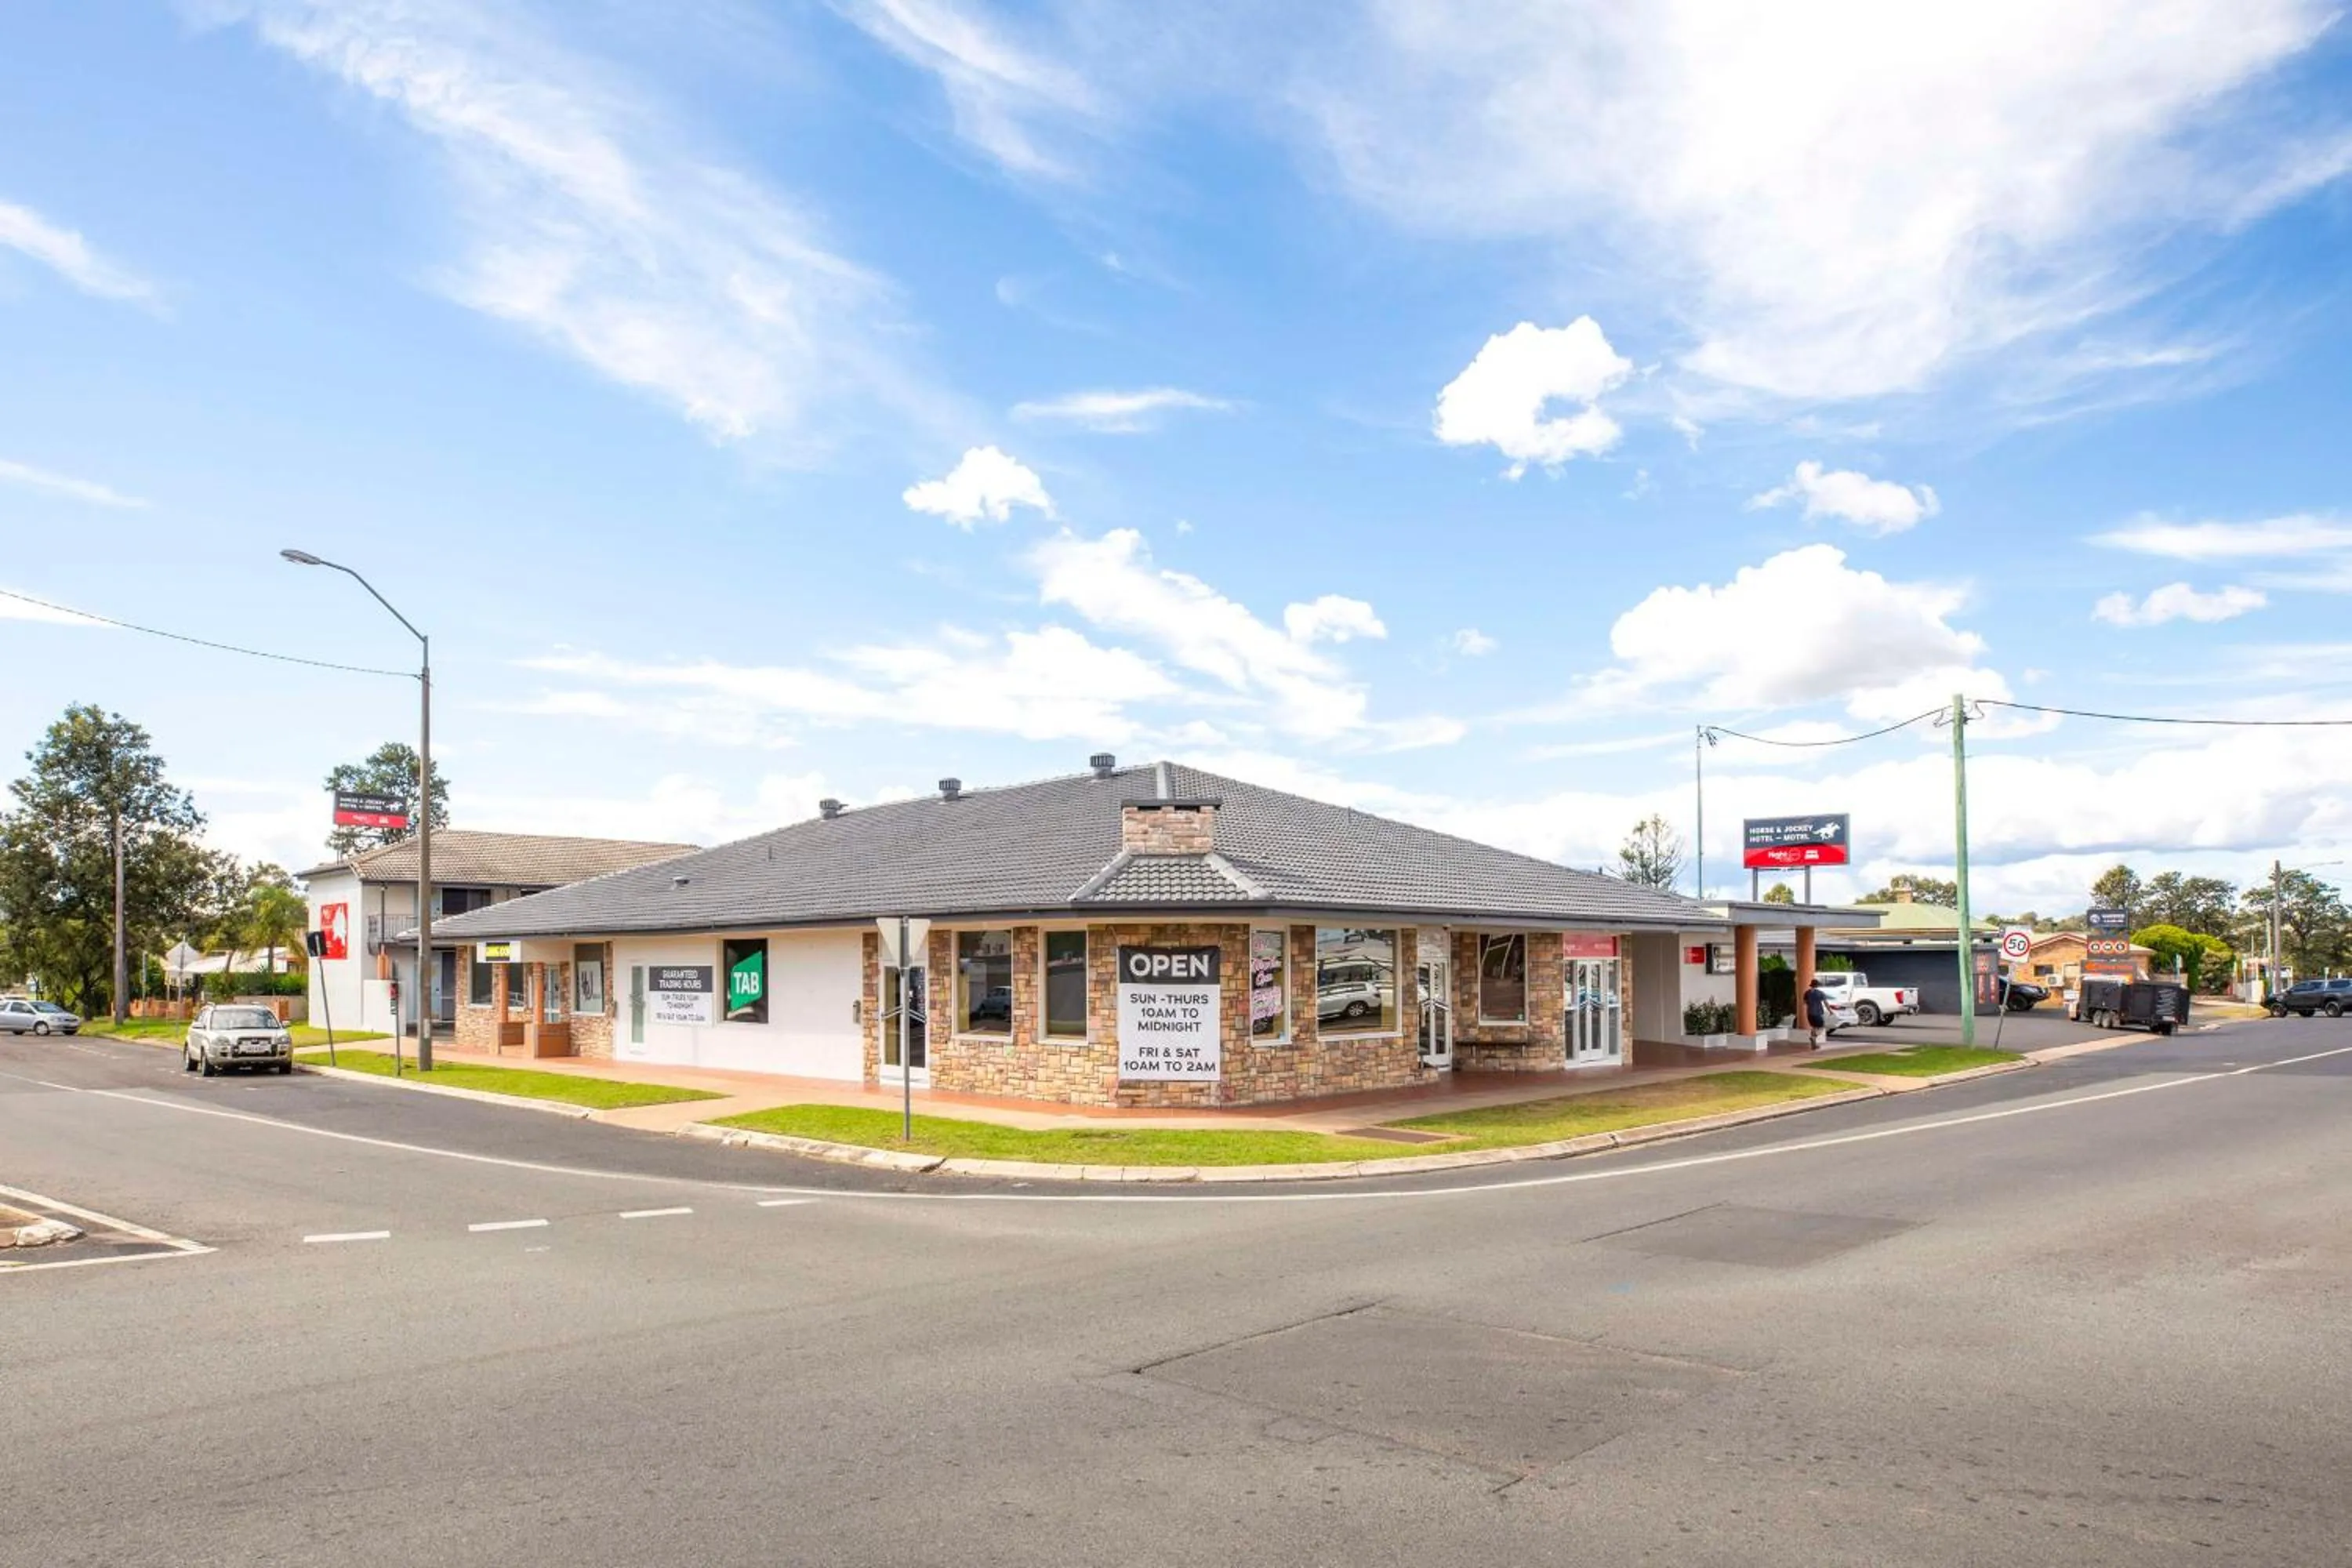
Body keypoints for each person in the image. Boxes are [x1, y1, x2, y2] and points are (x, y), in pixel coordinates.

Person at [1802, 975, 1830, 1047]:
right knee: (1822, 1027)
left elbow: (1804, 1002)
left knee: (1814, 1027)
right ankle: (1813, 1037)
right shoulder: (1820, 993)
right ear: (1817, 986)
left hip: (1809, 1013)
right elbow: (1826, 1003)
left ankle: (1814, 1044)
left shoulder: (1807, 993)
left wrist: (1810, 1003)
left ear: (1811, 985)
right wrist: (1830, 1011)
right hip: (1818, 1013)